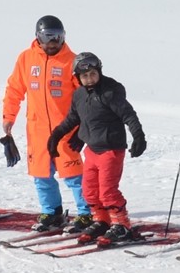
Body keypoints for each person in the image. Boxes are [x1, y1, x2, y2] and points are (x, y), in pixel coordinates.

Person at [2, 15, 92, 231]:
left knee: (73, 174)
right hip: (38, 129)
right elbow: (14, 89)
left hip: (66, 128)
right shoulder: (26, 58)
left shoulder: (72, 61)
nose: (53, 42)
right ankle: (52, 212)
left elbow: (85, 96)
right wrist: (8, 117)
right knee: (41, 173)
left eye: (58, 37)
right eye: (48, 36)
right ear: (38, 37)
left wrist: (84, 126)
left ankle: (86, 213)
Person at [46, 53, 146, 245]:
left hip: (111, 149)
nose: (89, 79)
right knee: (89, 190)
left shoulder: (110, 92)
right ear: (78, 78)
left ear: (99, 71)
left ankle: (122, 225)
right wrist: (55, 136)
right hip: (91, 149)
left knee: (107, 191)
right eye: (84, 76)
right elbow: (72, 119)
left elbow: (128, 115)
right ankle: (102, 221)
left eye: (92, 74)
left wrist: (138, 136)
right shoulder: (79, 95)